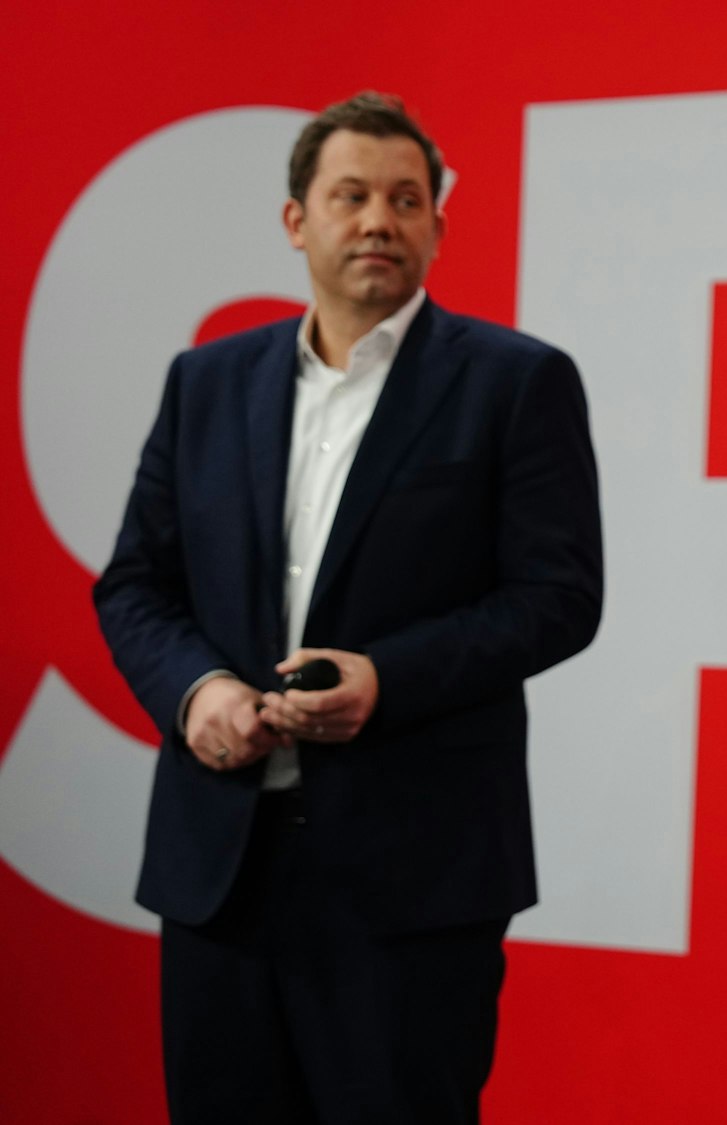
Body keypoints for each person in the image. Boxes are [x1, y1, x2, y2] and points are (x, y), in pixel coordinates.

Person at [93, 92, 603, 1124]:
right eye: (352, 196)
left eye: (406, 200)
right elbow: (135, 582)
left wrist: (386, 678)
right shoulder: (205, 383)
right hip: (220, 870)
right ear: (297, 221)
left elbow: (558, 598)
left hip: (412, 879)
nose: (379, 220)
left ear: (437, 227)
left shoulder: (516, 382)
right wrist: (196, 691)